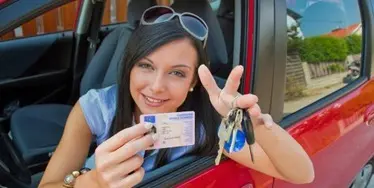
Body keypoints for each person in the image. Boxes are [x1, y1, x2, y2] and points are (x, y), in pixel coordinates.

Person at [39, 5, 314, 188]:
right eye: (145, 66)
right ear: (129, 68)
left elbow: (302, 173)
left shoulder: (205, 125)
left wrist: (254, 123)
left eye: (177, 74)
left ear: (194, 81)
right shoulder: (96, 108)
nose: (157, 86)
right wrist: (95, 182)